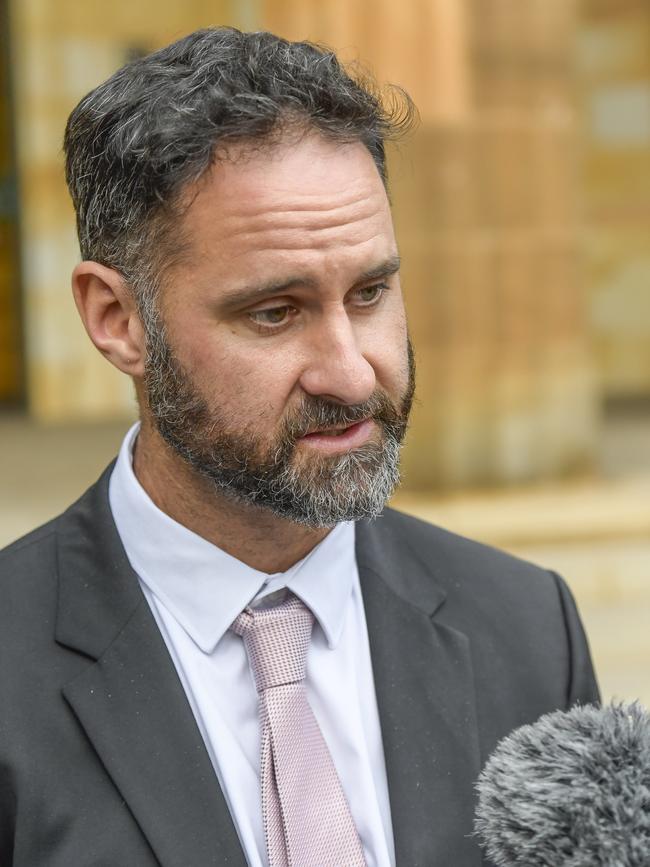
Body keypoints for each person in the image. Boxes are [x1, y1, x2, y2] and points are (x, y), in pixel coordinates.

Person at [0, 27, 598, 867]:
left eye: (370, 292)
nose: (352, 375)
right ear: (117, 319)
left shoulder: (529, 629)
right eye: (274, 312)